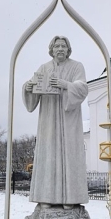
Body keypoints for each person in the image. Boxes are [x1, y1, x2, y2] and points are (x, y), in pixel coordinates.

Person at [23, 35, 89, 209]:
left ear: (68, 49)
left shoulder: (76, 66)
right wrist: (28, 88)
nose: (60, 49)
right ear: (51, 50)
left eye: (63, 46)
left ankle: (71, 198)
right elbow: (33, 87)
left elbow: (83, 87)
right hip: (48, 118)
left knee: (70, 154)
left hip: (69, 119)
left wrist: (65, 84)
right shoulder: (44, 68)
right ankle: (45, 196)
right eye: (57, 46)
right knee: (48, 154)